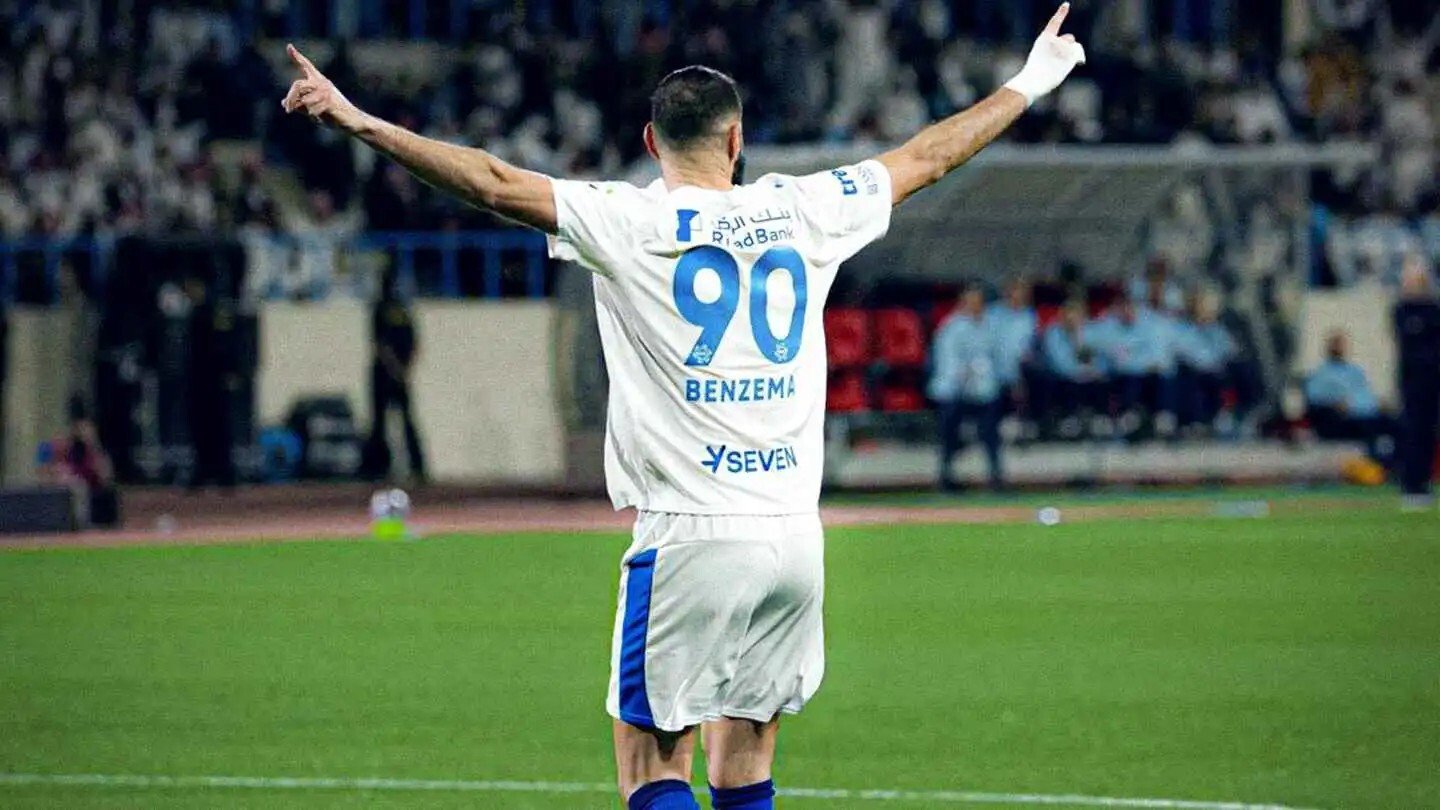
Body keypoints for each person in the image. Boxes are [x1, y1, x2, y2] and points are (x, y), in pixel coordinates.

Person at [280, 8, 1085, 807]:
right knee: (745, 765)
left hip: (693, 535)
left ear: (650, 143)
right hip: (794, 538)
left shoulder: (628, 219)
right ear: (737, 140)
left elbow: (491, 181)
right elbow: (929, 155)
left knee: (653, 769)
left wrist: (358, 121)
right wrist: (1031, 79)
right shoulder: (806, 207)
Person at [930, 288, 1003, 491]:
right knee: (949, 432)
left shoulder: (991, 326)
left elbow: (996, 357)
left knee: (990, 431)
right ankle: (946, 477)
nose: (975, 307)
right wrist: (964, 374)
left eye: (978, 303)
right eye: (971, 302)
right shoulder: (951, 327)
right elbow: (947, 362)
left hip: (984, 390)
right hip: (954, 391)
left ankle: (996, 477)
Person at [363, 265, 427, 483]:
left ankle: (383, 468)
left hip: (387, 373)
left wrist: (398, 369)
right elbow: (396, 344)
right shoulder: (400, 309)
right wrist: (403, 370)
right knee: (399, 421)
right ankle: (413, 467)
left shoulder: (383, 308)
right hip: (394, 373)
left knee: (384, 422)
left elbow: (382, 345)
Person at [1304, 331, 1395, 465]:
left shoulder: (1354, 371)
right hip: (1341, 419)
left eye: (1341, 344)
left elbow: (1365, 394)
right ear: (1328, 348)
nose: (1339, 348)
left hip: (1365, 413)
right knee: (1368, 427)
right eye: (1335, 344)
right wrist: (1333, 404)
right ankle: (1377, 464)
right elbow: (1314, 399)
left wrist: (1378, 404)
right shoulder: (1321, 373)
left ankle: (1403, 465)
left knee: (1396, 423)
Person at [1393, 258, 1440, 509]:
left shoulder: (1433, 309)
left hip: (1433, 381)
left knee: (1428, 432)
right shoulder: (1402, 310)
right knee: (1413, 432)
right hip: (1412, 383)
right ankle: (1411, 483)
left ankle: (1424, 481)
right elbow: (1411, 344)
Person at [1038, 300, 1105, 438]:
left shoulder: (1091, 331)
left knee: (1103, 381)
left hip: (1085, 378)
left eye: (1076, 318)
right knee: (1070, 382)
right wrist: (1084, 370)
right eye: (1069, 318)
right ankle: (1068, 419)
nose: (1072, 322)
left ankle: (1097, 418)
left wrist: (1078, 338)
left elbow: (1100, 360)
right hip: (1060, 379)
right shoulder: (1053, 333)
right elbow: (1060, 365)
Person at [1173, 294, 1236, 435]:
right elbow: (1182, 351)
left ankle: (1226, 415)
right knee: (1191, 380)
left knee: (1237, 373)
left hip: (1217, 369)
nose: (1203, 314)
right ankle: (1197, 421)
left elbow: (1229, 350)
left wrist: (1219, 362)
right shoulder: (1185, 330)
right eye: (1199, 310)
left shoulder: (1218, 330)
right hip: (1195, 370)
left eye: (1206, 311)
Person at [985, 278, 1038, 431]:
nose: (1018, 296)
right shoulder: (992, 313)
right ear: (1007, 293)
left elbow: (1029, 343)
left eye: (1023, 293)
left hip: (1019, 365)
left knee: (1031, 373)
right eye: (1015, 292)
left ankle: (1021, 422)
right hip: (993, 362)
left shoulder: (1029, 316)